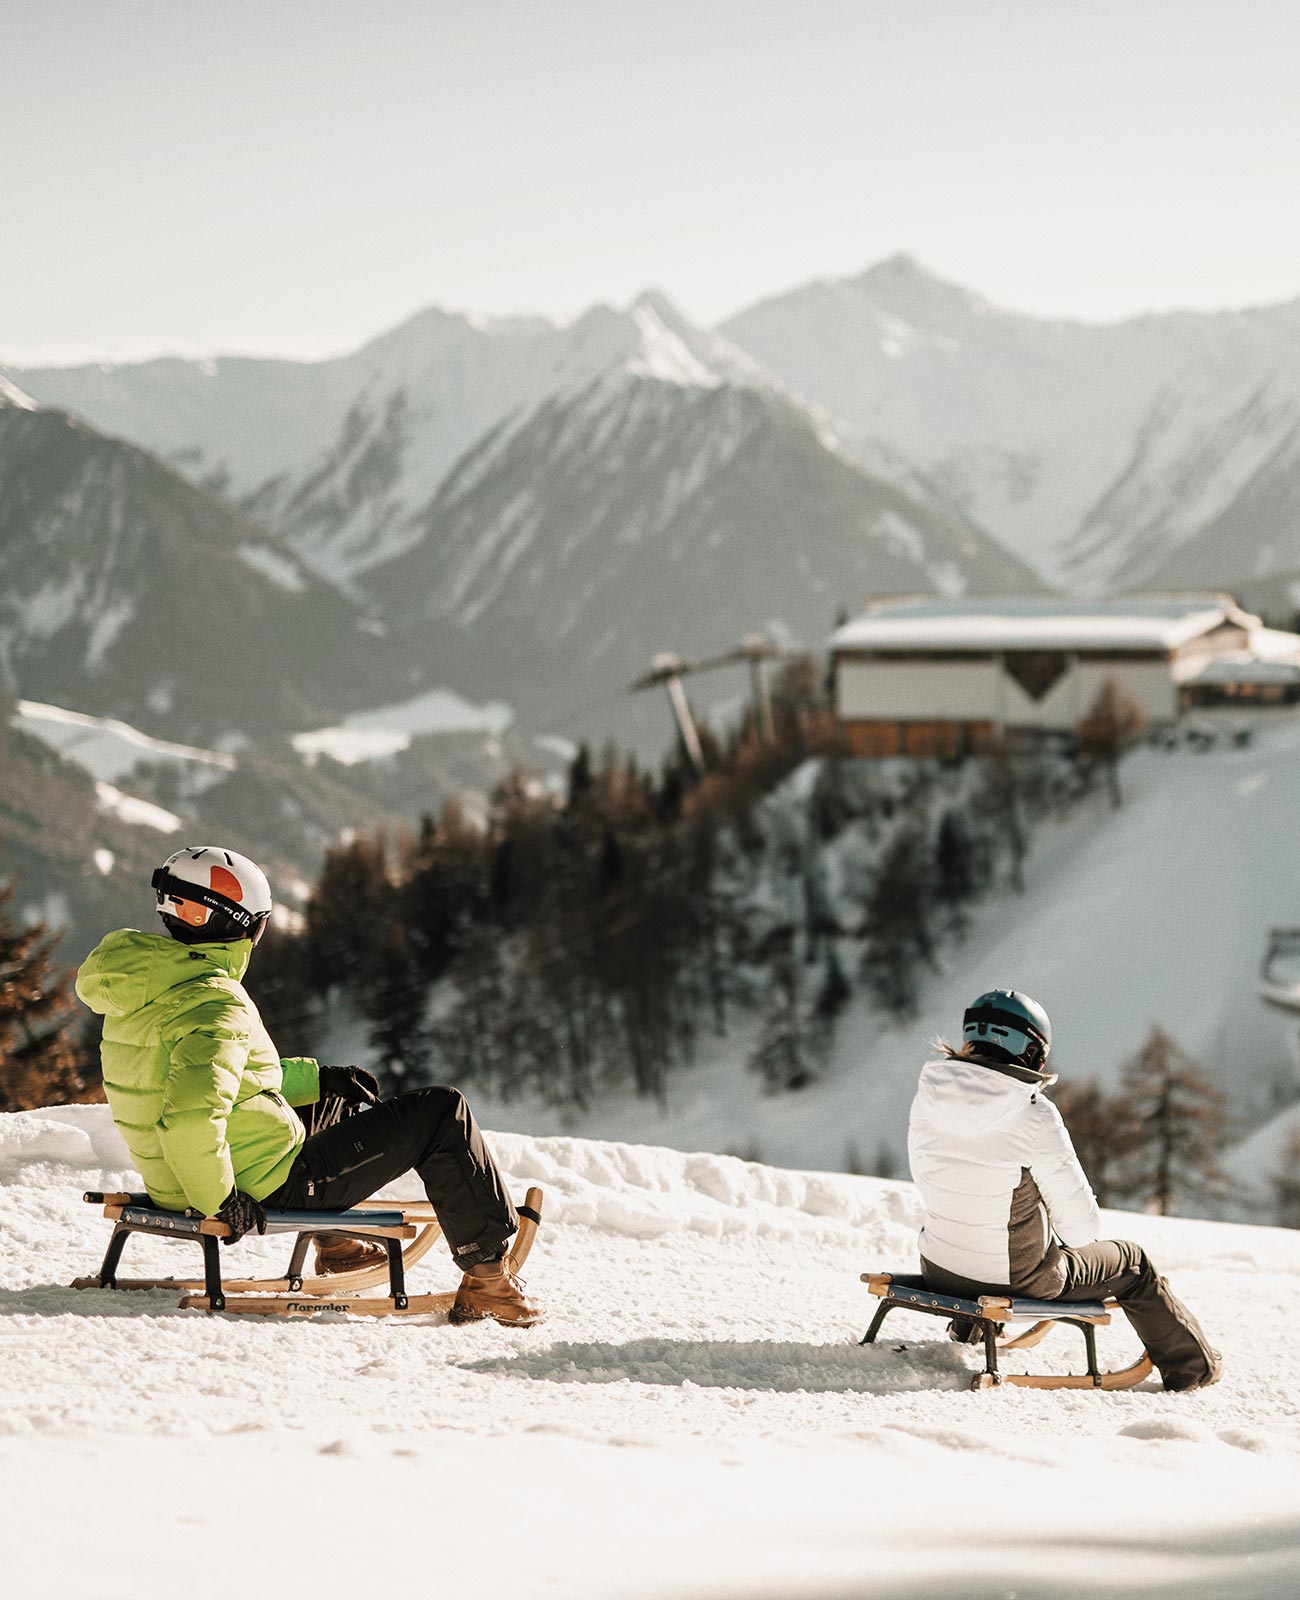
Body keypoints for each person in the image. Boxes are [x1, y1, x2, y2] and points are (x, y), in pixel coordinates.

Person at [75, 844, 540, 1326]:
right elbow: (190, 1117)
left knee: (333, 1099)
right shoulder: (215, 1002)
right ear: (245, 925)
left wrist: (320, 1080)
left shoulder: (150, 983)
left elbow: (224, 1078)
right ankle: (488, 1280)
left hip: (175, 1181)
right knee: (442, 1112)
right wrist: (221, 1203)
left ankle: (337, 1249)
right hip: (252, 1187)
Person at [906, 988, 1219, 1392]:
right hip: (1015, 1280)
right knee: (1133, 1263)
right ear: (1031, 1051)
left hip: (938, 1266)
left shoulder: (928, 1096)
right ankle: (1193, 1368)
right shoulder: (1034, 1115)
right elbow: (1081, 1231)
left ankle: (969, 1328)